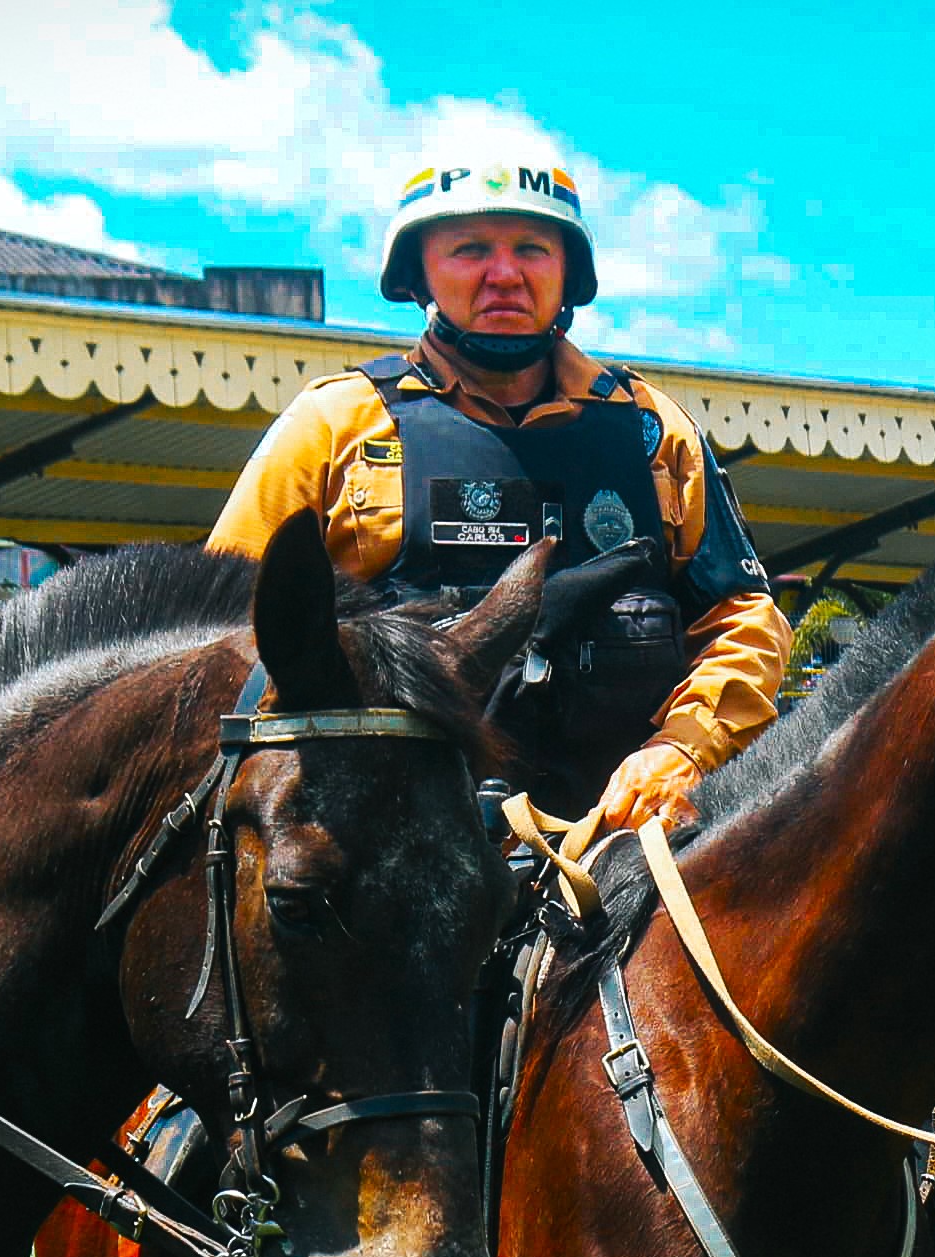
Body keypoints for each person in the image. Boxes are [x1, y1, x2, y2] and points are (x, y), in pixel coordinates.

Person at [210, 159, 786, 831]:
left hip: (629, 853)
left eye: (532, 250)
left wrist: (680, 750)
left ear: (569, 272)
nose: (505, 274)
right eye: (471, 250)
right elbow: (224, 638)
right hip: (393, 860)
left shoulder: (651, 430)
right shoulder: (333, 425)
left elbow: (747, 620)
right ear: (418, 272)